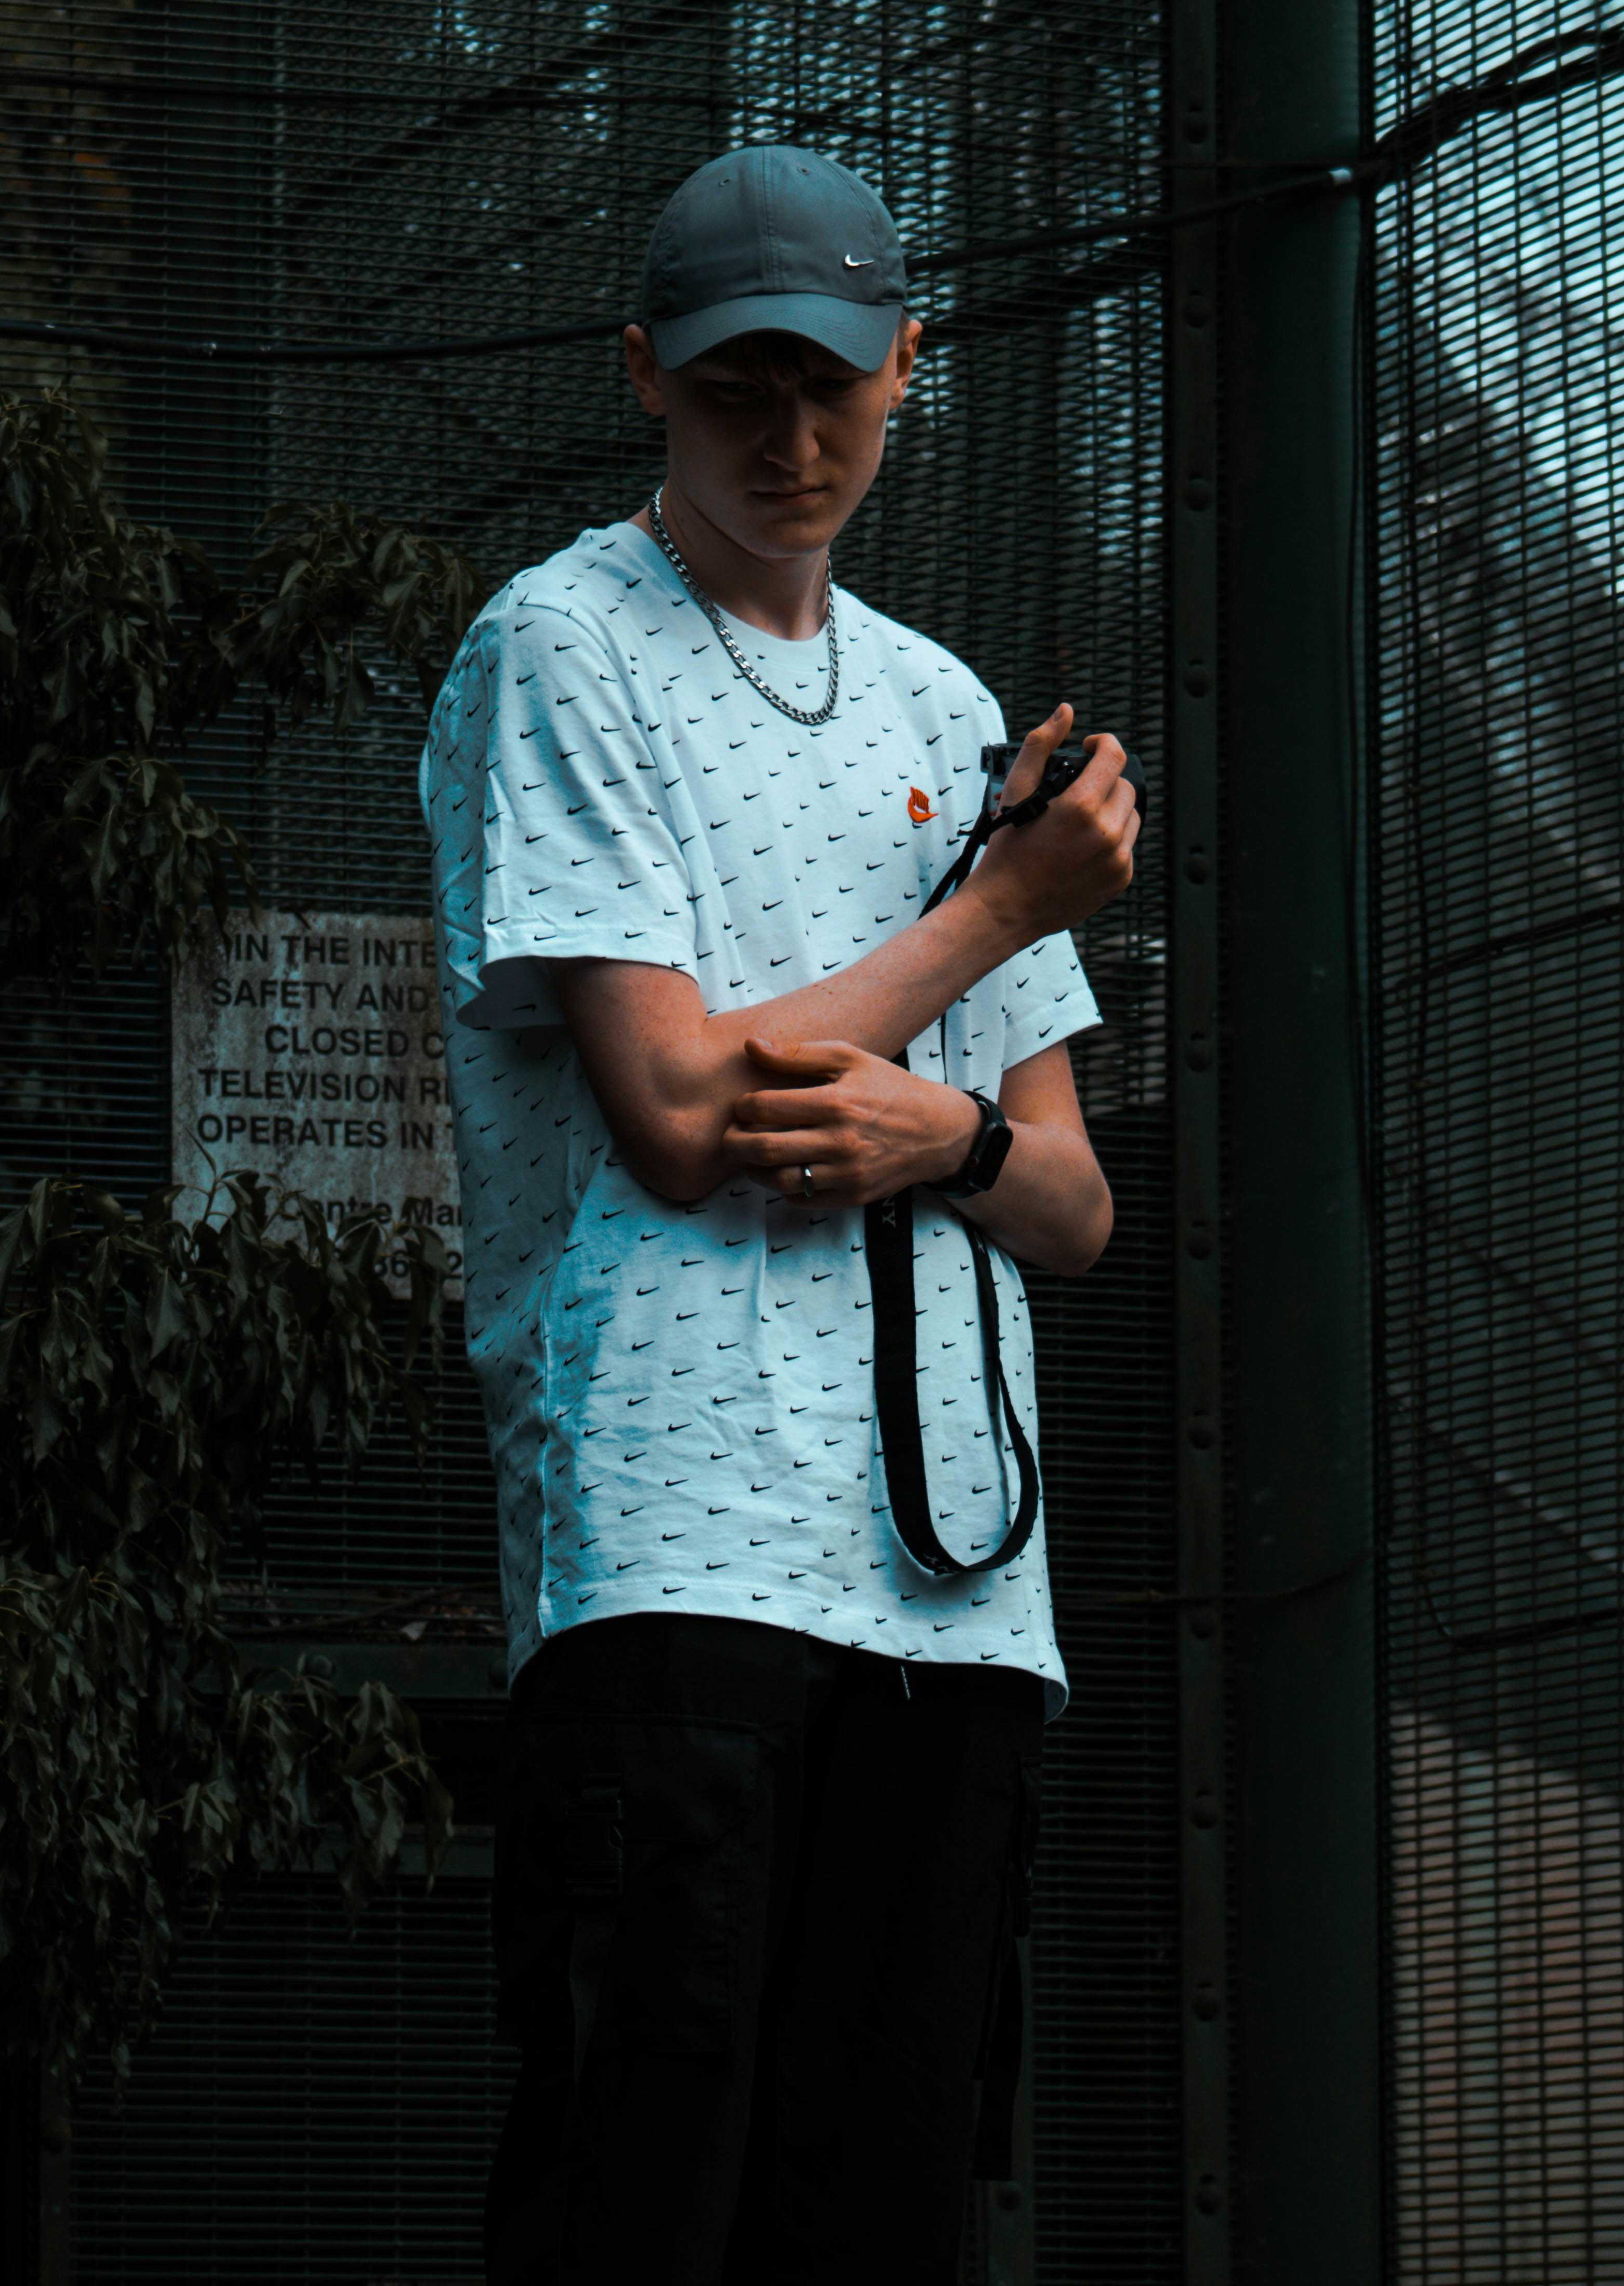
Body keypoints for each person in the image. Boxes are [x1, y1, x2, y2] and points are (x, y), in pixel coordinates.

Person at [421, 143, 1139, 2286]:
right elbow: (667, 1108)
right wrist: (1000, 908)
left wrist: (953, 1147)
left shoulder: (940, 706)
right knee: (646, 2183)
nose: (790, 436)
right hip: (673, 1544)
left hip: (949, 1576)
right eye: (735, 384)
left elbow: (1075, 1199)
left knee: (883, 2204)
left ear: (911, 368)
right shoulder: (556, 649)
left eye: (834, 383)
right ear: (644, 374)